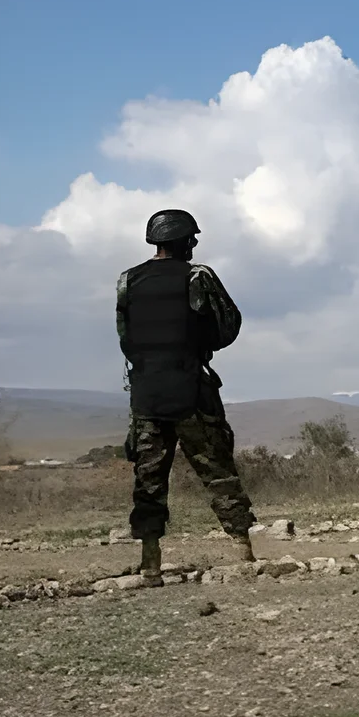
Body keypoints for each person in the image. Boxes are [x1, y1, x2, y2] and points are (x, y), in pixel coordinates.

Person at [117, 209, 257, 584]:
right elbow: (228, 326)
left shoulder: (127, 280)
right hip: (191, 392)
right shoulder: (199, 276)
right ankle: (242, 551)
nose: (194, 244)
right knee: (219, 474)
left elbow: (125, 338)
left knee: (148, 483)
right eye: (191, 238)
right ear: (182, 240)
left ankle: (150, 563)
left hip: (146, 396)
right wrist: (196, 344)